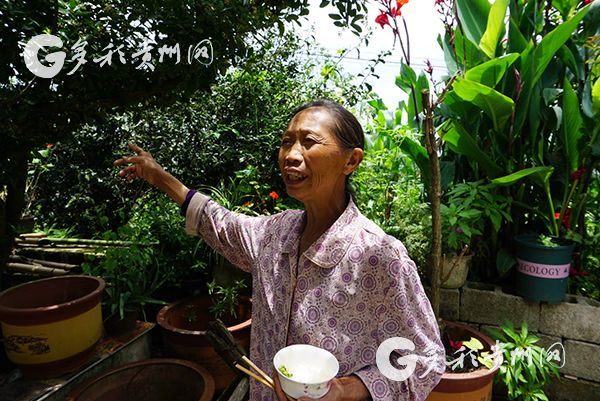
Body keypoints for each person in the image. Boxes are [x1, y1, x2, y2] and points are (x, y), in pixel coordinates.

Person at [114, 100, 445, 401]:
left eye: (309, 142)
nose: (291, 154)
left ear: (351, 160)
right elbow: (220, 223)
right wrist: (160, 178)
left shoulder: (379, 256)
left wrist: (346, 390)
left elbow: (424, 357)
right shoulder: (274, 234)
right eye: (287, 141)